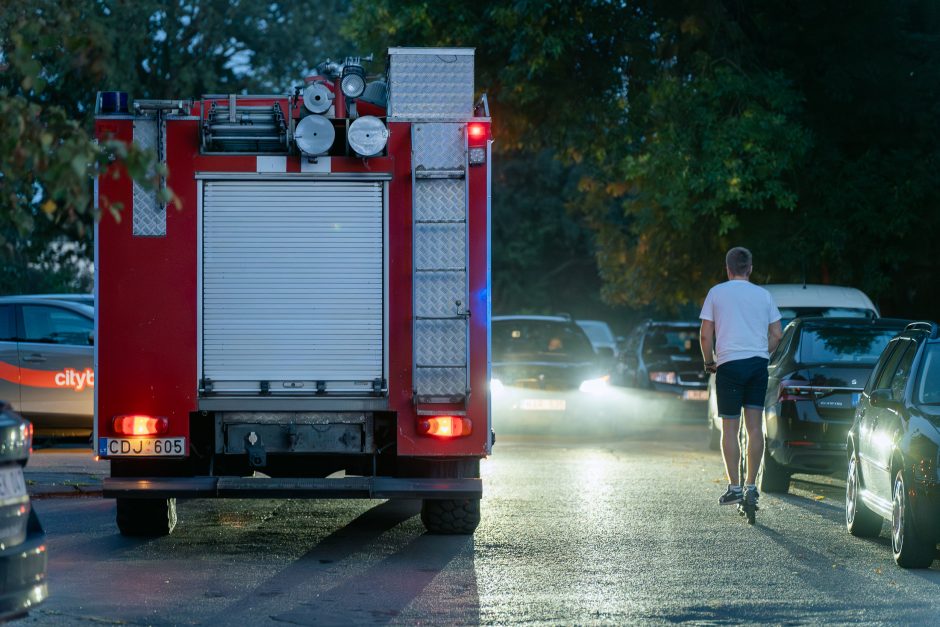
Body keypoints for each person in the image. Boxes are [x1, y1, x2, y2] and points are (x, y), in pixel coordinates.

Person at [699, 247, 783, 509]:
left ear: (728, 268)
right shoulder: (764, 295)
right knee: (755, 427)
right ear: (750, 269)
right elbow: (778, 335)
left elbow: (705, 335)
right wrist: (761, 352)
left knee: (730, 428)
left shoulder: (716, 293)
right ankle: (751, 486)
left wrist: (709, 362)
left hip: (729, 366)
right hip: (757, 366)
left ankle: (734, 487)